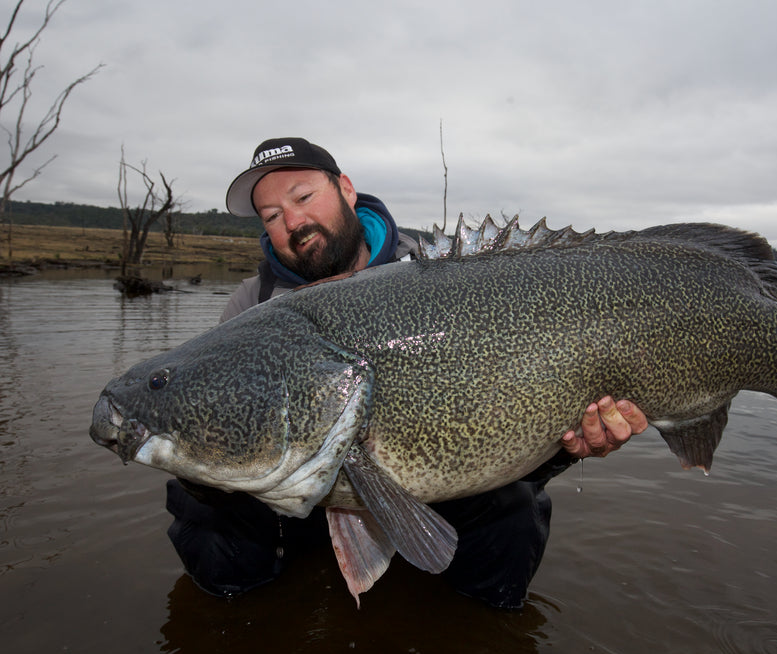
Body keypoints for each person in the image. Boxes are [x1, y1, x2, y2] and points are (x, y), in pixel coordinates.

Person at [166, 137, 648, 608]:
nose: (293, 221)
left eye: (304, 196)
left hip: (448, 480)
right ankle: (242, 618)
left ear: (346, 190)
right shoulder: (250, 305)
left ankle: (482, 631)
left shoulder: (438, 272)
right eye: (271, 216)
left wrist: (568, 447)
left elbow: (519, 403)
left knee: (513, 509)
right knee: (202, 505)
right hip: (303, 491)